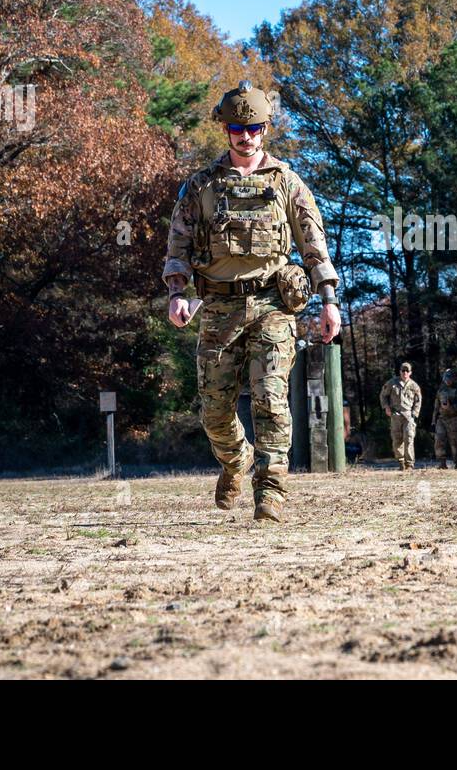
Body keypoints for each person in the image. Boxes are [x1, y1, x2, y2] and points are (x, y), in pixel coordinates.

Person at [163, 81, 341, 523]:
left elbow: (313, 243)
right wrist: (176, 293)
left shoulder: (287, 183)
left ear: (266, 129)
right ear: (226, 129)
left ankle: (271, 492)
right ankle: (236, 459)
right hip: (218, 308)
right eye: (238, 128)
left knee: (270, 397)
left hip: (273, 305)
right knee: (215, 413)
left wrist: (329, 300)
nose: (246, 136)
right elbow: (178, 244)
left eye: (255, 128)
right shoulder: (202, 186)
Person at [379, 362, 421, 470]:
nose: (405, 373)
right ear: (400, 372)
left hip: (408, 415)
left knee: (409, 438)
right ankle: (401, 462)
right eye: (403, 370)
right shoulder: (392, 383)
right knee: (397, 439)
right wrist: (386, 407)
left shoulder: (414, 386)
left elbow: (418, 401)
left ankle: (410, 464)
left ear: (410, 373)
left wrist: (414, 414)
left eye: (407, 371)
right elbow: (383, 395)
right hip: (395, 414)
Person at [432, 367, 457, 468]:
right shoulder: (441, 390)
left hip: (454, 418)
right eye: (447, 378)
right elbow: (436, 406)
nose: (448, 380)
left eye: (450, 378)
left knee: (455, 442)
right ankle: (442, 463)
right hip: (441, 419)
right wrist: (433, 422)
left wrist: (450, 407)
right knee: (439, 440)